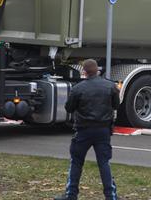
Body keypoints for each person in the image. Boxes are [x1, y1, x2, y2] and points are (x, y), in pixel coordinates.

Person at [55, 59, 120, 200]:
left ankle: (71, 195)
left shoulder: (78, 88)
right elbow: (116, 105)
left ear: (84, 71)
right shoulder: (111, 86)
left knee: (76, 162)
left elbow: (69, 108)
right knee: (104, 163)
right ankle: (111, 196)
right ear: (97, 70)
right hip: (103, 131)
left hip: (83, 130)